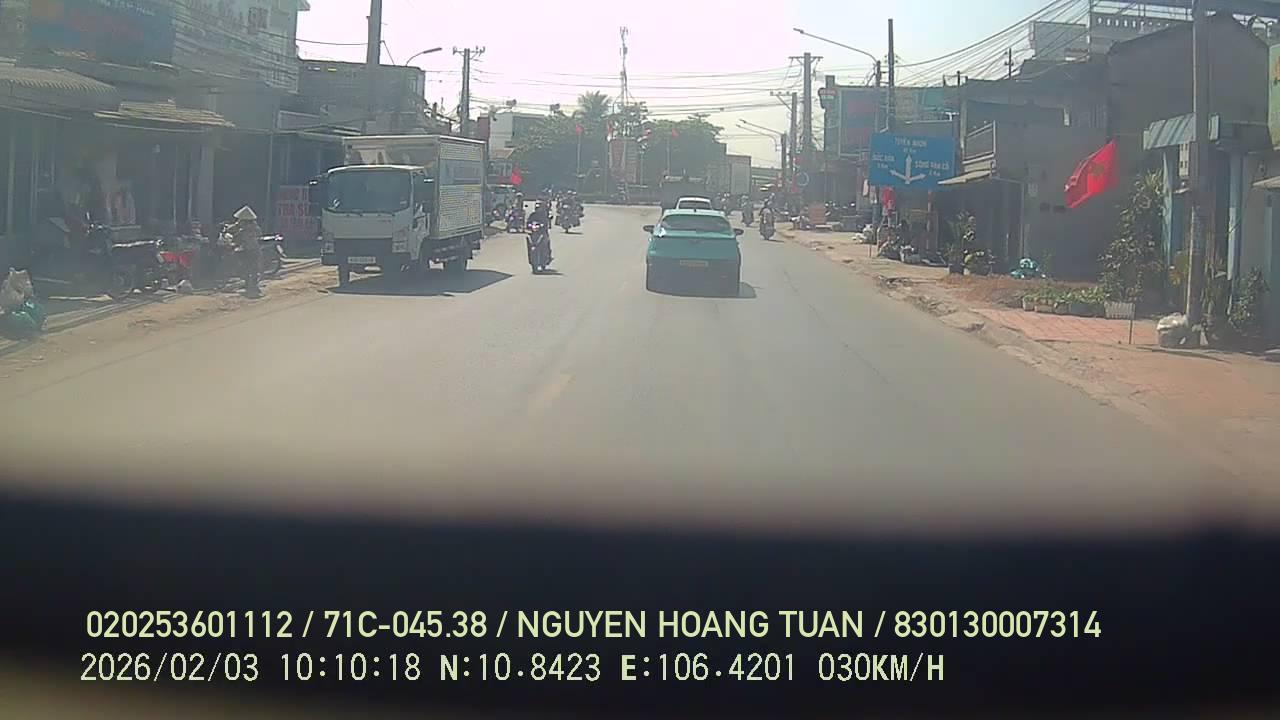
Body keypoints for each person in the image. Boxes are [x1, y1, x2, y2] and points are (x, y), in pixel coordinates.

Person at [228, 205, 263, 298]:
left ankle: (253, 285)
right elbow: (231, 229)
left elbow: (257, 233)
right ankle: (249, 284)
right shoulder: (241, 225)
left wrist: (244, 231)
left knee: (253, 269)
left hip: (252, 250)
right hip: (246, 249)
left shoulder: (253, 227)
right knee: (247, 268)